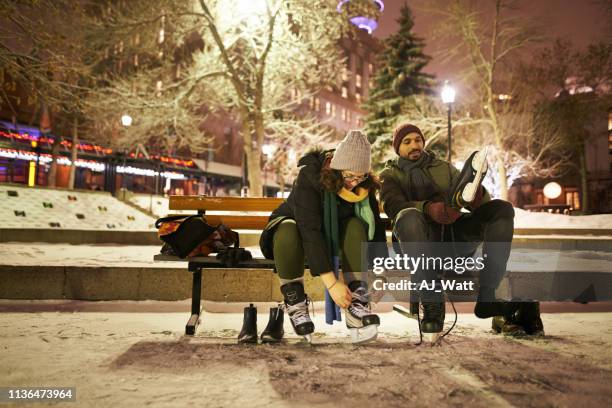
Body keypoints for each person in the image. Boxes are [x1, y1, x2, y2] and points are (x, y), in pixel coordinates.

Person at [380, 123, 544, 340]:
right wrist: (428, 208)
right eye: (407, 142)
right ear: (397, 147)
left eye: (418, 140)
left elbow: (473, 196)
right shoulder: (390, 174)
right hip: (414, 240)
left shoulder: (443, 167)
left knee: (501, 210)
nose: (414, 145)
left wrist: (474, 195)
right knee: (409, 217)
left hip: (453, 235)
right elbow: (392, 205)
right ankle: (432, 302)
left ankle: (487, 294)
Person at [259, 130, 387, 343]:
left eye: (360, 176)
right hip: (294, 241)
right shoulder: (311, 176)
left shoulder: (363, 186)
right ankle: (295, 300)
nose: (354, 182)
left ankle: (357, 301)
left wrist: (379, 273)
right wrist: (333, 284)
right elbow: (309, 230)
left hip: (332, 243)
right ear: (337, 168)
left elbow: (376, 229)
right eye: (349, 176)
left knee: (356, 224)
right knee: (289, 229)